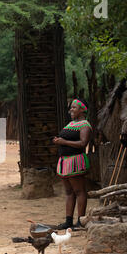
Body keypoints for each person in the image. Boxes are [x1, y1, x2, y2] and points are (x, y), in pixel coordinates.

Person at [53, 98, 92, 229]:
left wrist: (63, 142)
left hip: (76, 162)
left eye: (74, 107)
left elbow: (83, 143)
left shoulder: (85, 125)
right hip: (65, 163)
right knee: (69, 192)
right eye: (71, 107)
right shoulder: (71, 124)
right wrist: (58, 140)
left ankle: (81, 221)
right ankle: (68, 221)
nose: (71, 110)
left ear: (82, 110)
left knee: (80, 191)